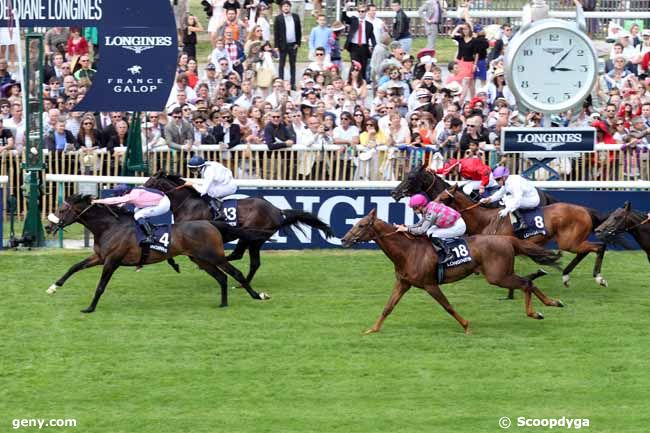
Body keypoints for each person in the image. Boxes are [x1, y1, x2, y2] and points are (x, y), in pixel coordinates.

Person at [92, 185, 171, 270]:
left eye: (120, 195)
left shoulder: (132, 196)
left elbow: (117, 200)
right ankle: (142, 231)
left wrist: (98, 201)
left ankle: (150, 236)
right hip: (159, 199)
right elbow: (121, 203)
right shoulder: (134, 191)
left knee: (139, 215)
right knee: (137, 212)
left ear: (125, 193)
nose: (120, 197)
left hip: (163, 204)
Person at [395, 193, 466, 264]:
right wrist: (405, 226)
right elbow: (419, 224)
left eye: (414, 208)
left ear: (420, 206)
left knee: (433, 234)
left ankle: (449, 253)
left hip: (458, 226)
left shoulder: (431, 213)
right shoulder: (428, 206)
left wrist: (406, 229)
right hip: (454, 222)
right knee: (429, 232)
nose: (413, 210)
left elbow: (421, 230)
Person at [480, 166, 540, 231]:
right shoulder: (507, 181)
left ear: (504, 177)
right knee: (506, 198)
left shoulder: (514, 183)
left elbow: (517, 200)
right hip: (525, 197)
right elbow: (500, 193)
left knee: (509, 200)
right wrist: (489, 199)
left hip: (532, 200)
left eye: (498, 179)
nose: (497, 182)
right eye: (495, 180)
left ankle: (522, 222)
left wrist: (507, 210)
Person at [185, 155, 237, 219]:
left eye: (193, 169)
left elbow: (203, 190)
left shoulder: (208, 171)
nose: (192, 171)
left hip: (227, 187)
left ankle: (218, 212)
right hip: (222, 183)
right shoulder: (206, 165)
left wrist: (192, 184)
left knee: (206, 192)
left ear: (199, 168)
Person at [341, 2, 376, 80]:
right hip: (354, 47)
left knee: (363, 65)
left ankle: (362, 81)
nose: (361, 13)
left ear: (366, 12)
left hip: (364, 47)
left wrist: (374, 46)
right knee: (355, 65)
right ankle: (351, 80)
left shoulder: (369, 24)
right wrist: (345, 8)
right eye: (359, 11)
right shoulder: (354, 20)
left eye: (363, 11)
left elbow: (372, 37)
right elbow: (344, 18)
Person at [274, 0, 302, 90]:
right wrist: (276, 46)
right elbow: (276, 32)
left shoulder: (295, 17)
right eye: (284, 6)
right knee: (281, 64)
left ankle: (292, 83)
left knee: (292, 64)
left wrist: (298, 42)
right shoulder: (278, 18)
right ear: (282, 8)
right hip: (283, 45)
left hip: (293, 44)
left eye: (287, 6)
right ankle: (281, 83)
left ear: (290, 7)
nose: (286, 8)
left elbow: (298, 30)